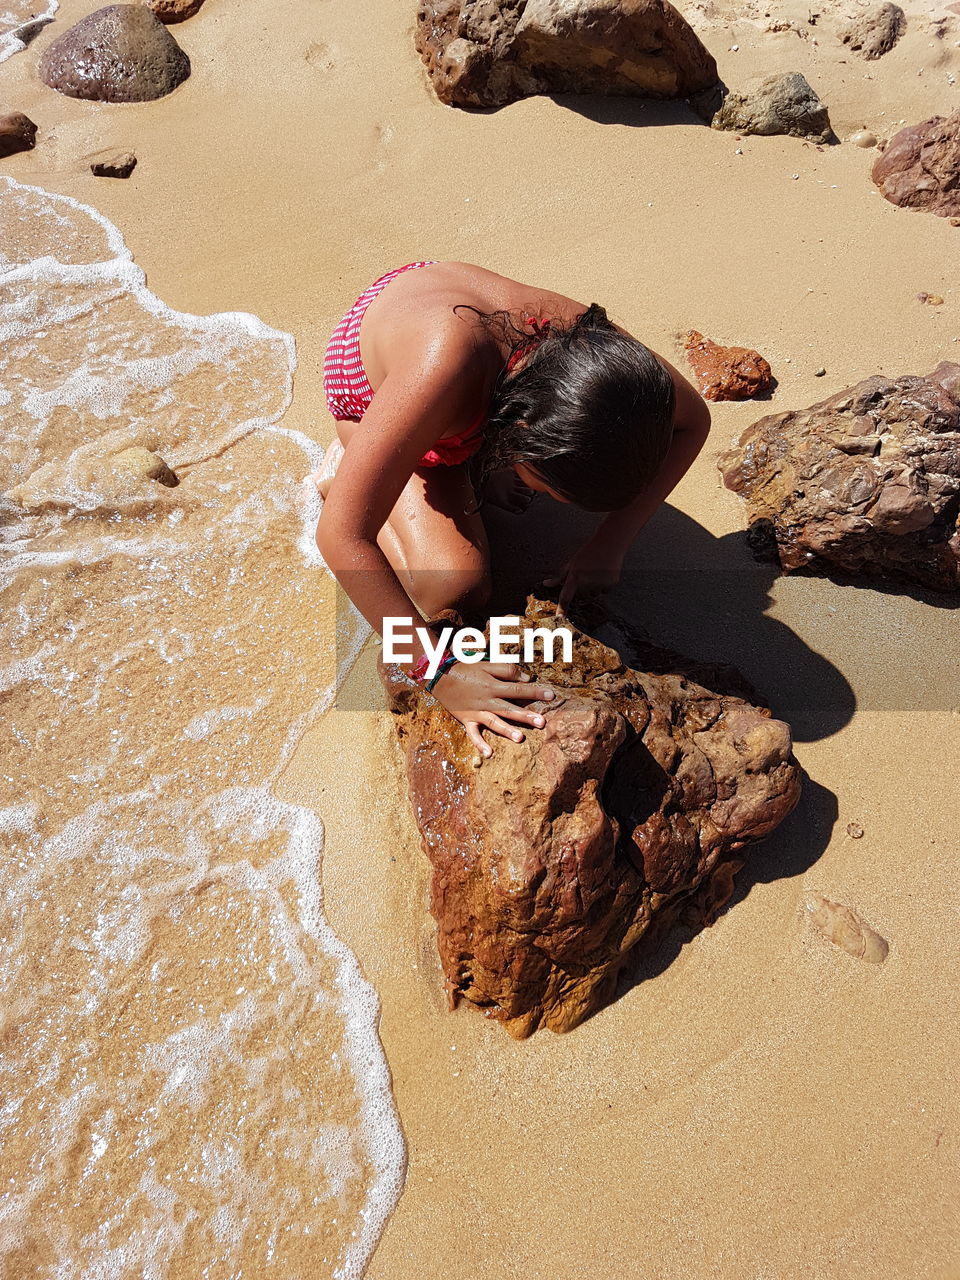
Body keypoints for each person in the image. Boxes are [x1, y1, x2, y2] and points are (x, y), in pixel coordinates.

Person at [315, 260, 711, 758]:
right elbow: (341, 537)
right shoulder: (440, 370)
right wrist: (437, 671)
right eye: (548, 491)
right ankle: (350, 464)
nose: (548, 503)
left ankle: (455, 464)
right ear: (516, 438)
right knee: (452, 583)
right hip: (376, 389)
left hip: (461, 365)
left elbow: (693, 420)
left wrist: (610, 541)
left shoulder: (608, 359)